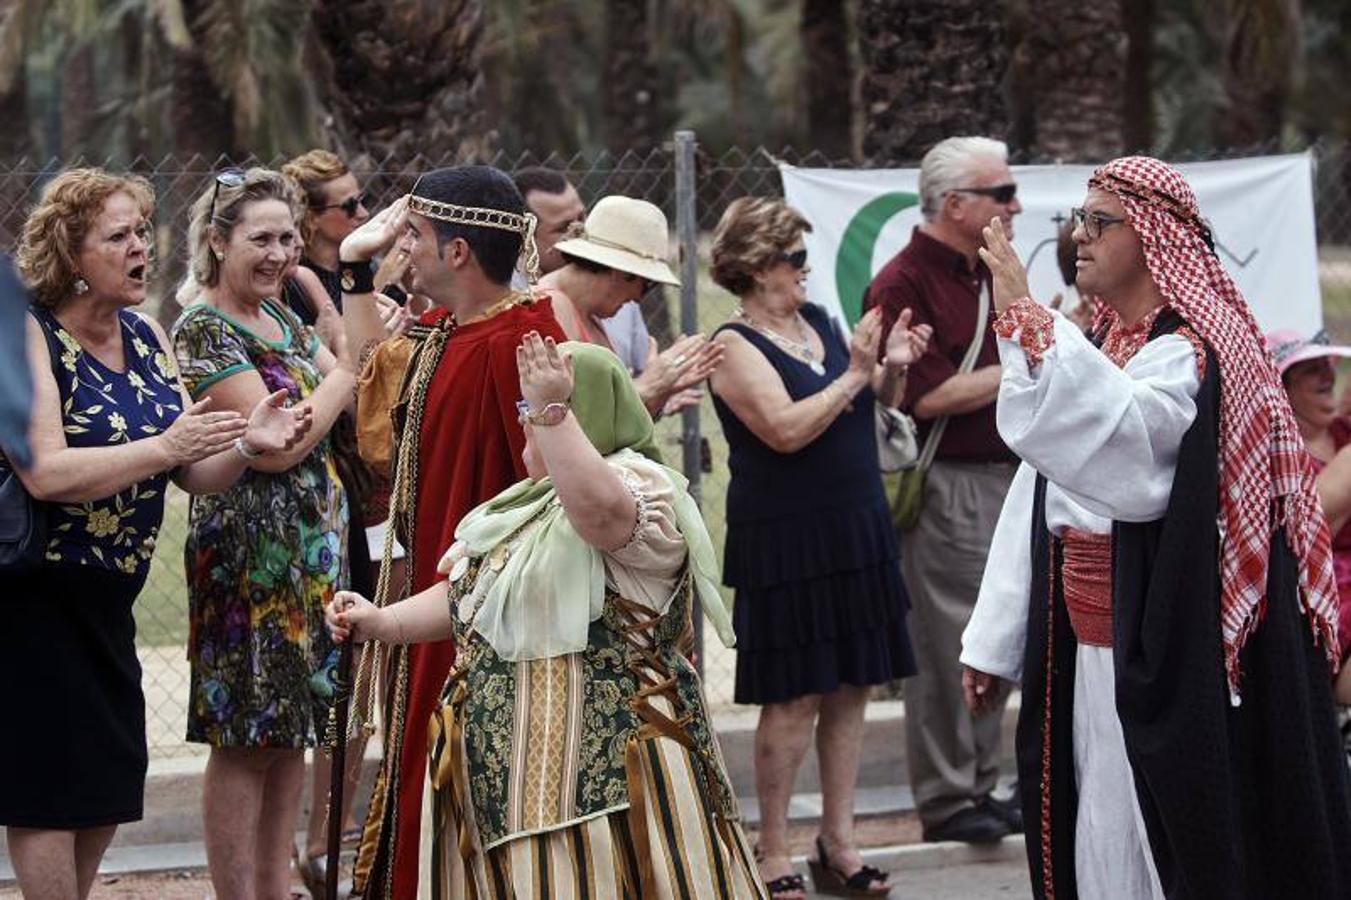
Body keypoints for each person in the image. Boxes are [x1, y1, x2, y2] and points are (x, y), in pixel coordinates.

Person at [962, 156, 1351, 899]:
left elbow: (1125, 451)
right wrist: (994, 638)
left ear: (1151, 236)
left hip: (1169, 645)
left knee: (1168, 830)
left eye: (1099, 221)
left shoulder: (1193, 352)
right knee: (1101, 824)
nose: (1079, 236)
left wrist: (1029, 321)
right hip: (1089, 644)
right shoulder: (1114, 345)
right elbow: (1040, 490)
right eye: (1078, 219)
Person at [326, 336, 765, 898]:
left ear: (586, 414)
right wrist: (382, 622)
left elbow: (603, 516)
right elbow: (467, 596)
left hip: (612, 783)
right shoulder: (519, 507)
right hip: (512, 784)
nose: (525, 422)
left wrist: (553, 414)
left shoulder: (642, 488)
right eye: (525, 407)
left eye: (535, 407)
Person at [1, 167, 308, 900]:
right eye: (119, 236)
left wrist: (245, 446)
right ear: (72, 254)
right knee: (46, 791)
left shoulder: (146, 335)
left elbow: (190, 474)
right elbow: (44, 469)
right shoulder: (25, 334)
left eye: (142, 231)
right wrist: (167, 447)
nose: (141, 246)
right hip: (30, 598)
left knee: (105, 781)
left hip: (109, 603)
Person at [338, 165, 567, 899]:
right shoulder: (445, 332)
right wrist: (352, 266)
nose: (405, 248)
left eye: (415, 235)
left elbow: (549, 489)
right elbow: (369, 384)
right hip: (439, 606)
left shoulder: (525, 338)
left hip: (493, 622)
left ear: (458, 252)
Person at [708, 197, 927, 898]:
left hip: (854, 525)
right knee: (792, 695)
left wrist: (889, 367)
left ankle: (839, 841)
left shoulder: (822, 325)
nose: (804, 270)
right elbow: (783, 428)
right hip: (787, 536)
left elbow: (873, 405)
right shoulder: (732, 345)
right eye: (793, 259)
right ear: (756, 266)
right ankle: (772, 850)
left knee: (852, 687)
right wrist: (858, 374)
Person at [171, 167, 357, 900]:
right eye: (261, 238)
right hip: (248, 553)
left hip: (311, 552)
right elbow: (282, 441)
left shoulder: (281, 319)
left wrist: (338, 366)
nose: (280, 253)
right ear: (217, 242)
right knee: (244, 732)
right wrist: (345, 374)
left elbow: (330, 389)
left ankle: (275, 888)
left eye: (288, 237)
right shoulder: (204, 327)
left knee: (292, 731)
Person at [860, 135, 1023, 845]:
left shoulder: (986, 272)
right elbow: (924, 399)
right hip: (950, 482)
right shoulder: (902, 283)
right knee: (950, 640)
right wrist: (1023, 367)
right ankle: (949, 795)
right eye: (1000, 194)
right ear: (955, 204)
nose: (1015, 206)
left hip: (1006, 478)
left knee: (998, 637)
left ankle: (982, 783)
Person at [539, 194, 722, 416]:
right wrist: (646, 386)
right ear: (623, 272)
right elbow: (570, 417)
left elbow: (612, 425)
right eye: (648, 283)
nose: (638, 298)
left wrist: (661, 390)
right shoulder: (549, 306)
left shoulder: (588, 312)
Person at [1266, 328, 1351, 697]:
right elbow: (1298, 538)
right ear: (1283, 385)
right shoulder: (1280, 458)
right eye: (1312, 368)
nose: (1328, 375)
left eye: (1328, 364)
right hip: (1325, 591)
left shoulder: (1346, 431)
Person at [513, 167, 650, 371]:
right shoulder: (508, 301)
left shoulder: (621, 296)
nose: (580, 234)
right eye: (564, 228)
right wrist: (644, 389)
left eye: (583, 219)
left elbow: (645, 368)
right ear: (524, 239)